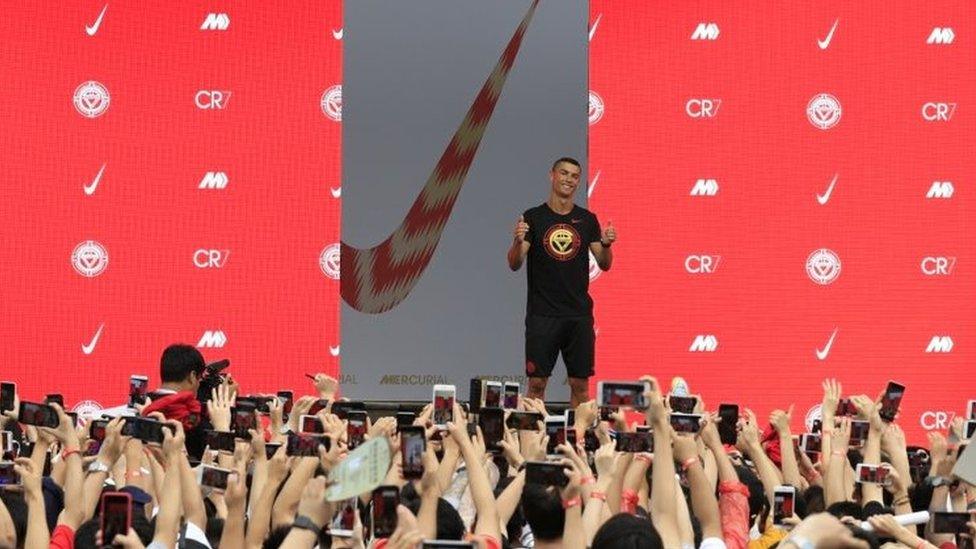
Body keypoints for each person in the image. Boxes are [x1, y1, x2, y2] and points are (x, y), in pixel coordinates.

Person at [507, 157, 616, 407]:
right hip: (542, 315)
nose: (569, 179)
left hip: (578, 315)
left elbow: (604, 262)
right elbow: (515, 263)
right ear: (552, 176)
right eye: (564, 173)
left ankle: (577, 443)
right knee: (536, 385)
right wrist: (516, 241)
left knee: (580, 385)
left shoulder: (587, 219)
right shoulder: (533, 217)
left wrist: (607, 245)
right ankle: (531, 442)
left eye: (574, 176)